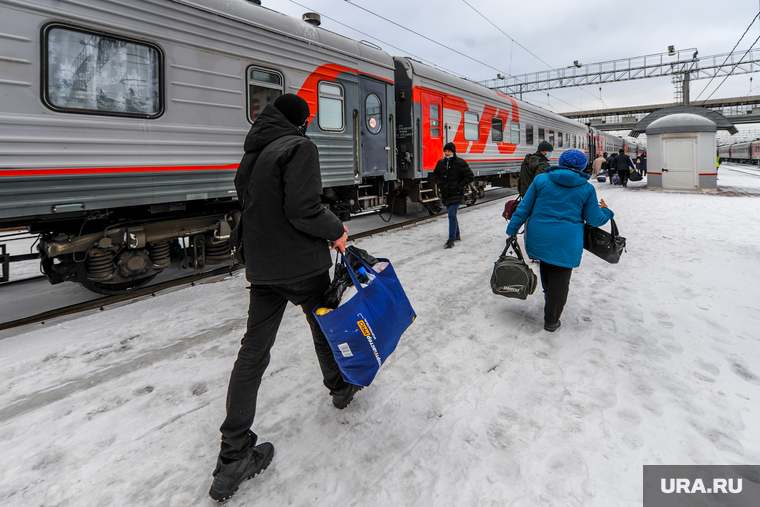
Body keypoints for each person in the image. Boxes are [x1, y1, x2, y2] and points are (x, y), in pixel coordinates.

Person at [209, 94, 357, 502]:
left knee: (252, 352)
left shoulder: (253, 152)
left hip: (262, 266)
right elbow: (303, 209)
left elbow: (253, 206)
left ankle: (232, 454)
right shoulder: (299, 146)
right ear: (301, 122)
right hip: (301, 264)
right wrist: (336, 231)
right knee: (323, 324)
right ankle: (340, 387)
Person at [506, 149, 613, 332]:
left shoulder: (541, 180)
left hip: (539, 236)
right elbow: (595, 219)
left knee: (546, 266)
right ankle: (552, 320)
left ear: (561, 162)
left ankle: (550, 299)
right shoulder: (586, 188)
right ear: (581, 166)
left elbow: (524, 208)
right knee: (561, 278)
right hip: (567, 241)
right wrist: (607, 212)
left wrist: (512, 229)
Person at [432, 142, 474, 249]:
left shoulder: (460, 163)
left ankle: (451, 239)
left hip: (456, 193)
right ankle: (457, 235)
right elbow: (435, 174)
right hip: (446, 194)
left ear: (453, 152)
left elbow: (470, 176)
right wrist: (439, 182)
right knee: (452, 215)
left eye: (449, 151)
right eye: (445, 151)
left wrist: (459, 186)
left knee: (451, 214)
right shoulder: (441, 163)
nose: (446, 153)